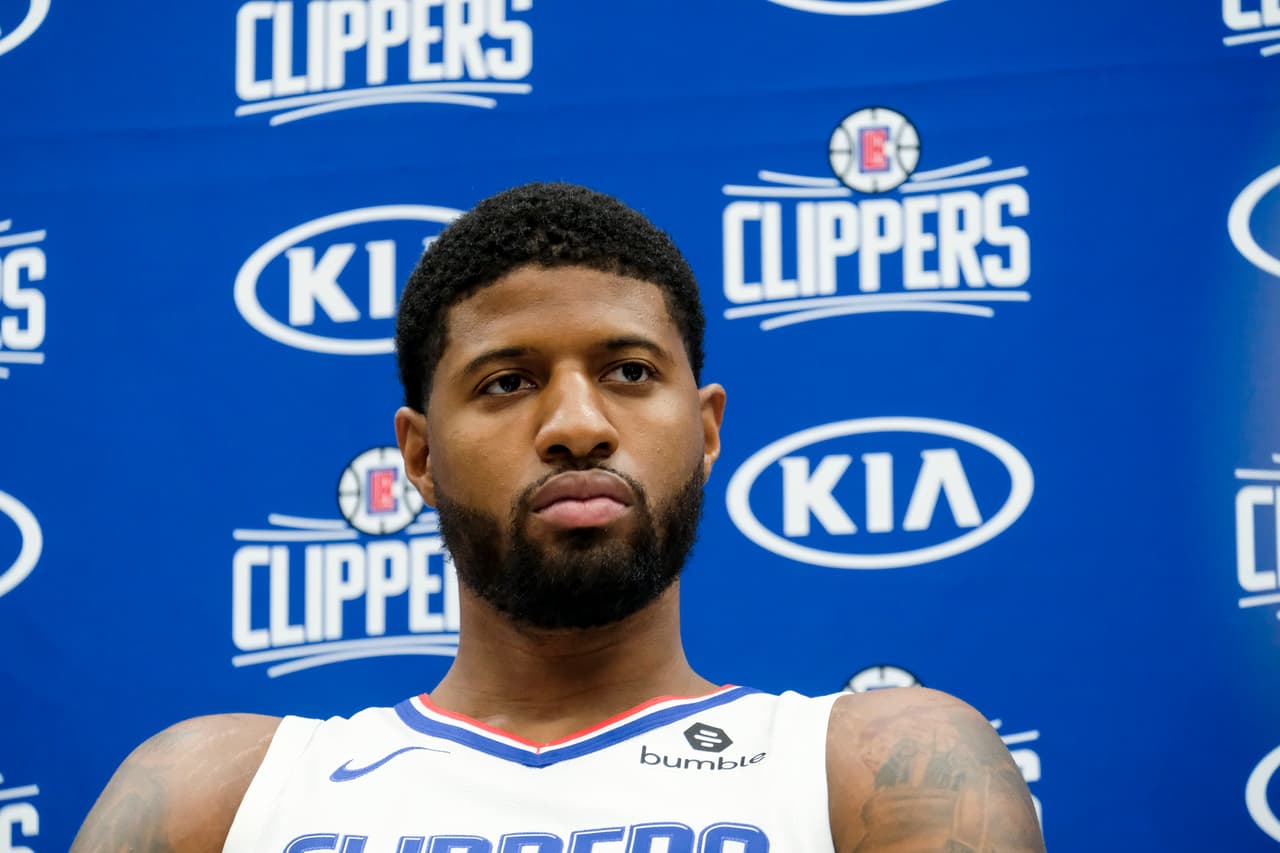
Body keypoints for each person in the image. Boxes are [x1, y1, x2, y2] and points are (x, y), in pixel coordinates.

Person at [72, 183, 1046, 852]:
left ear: (705, 430)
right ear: (417, 454)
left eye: (628, 372)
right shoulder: (219, 793)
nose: (576, 425)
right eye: (506, 382)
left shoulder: (872, 769)